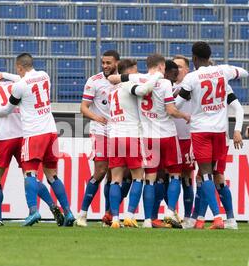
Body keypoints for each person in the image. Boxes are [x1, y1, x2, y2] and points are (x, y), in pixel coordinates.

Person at [0, 53, 75, 227]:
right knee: (52, 175)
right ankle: (68, 212)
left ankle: (33, 211)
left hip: (33, 134)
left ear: (19, 67)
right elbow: (24, 79)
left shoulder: (19, 86)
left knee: (30, 173)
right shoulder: (44, 75)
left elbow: (6, 110)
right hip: (51, 132)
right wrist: (4, 75)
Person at [109, 54, 191, 228]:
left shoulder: (138, 78)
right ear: (162, 67)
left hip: (146, 136)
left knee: (150, 178)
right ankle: (169, 212)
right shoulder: (165, 83)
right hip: (167, 134)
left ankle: (145, 219)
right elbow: (170, 109)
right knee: (175, 174)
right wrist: (184, 115)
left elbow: (113, 78)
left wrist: (124, 76)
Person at [178, 42, 248, 230]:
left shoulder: (192, 78)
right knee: (216, 176)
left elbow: (176, 104)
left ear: (193, 58)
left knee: (205, 175)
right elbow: (244, 72)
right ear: (210, 58)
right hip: (220, 132)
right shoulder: (222, 73)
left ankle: (216, 218)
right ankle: (225, 219)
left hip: (201, 131)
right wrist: (237, 129)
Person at [0, 75, 64, 227]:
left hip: (4, 137)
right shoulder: (17, 83)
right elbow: (27, 75)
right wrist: (3, 74)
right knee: (31, 177)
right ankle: (52, 206)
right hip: (24, 135)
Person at [106, 59, 163, 229]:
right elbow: (144, 89)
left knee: (115, 179)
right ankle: (129, 215)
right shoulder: (127, 84)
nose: (138, 74)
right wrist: (158, 75)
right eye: (135, 71)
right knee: (138, 176)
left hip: (114, 136)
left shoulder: (112, 90)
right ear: (128, 71)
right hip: (131, 135)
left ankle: (115, 218)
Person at [76, 50, 124, 227]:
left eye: (108, 63)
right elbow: (84, 107)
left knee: (116, 175)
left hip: (119, 130)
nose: (105, 66)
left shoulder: (124, 81)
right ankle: (82, 213)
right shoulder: (94, 81)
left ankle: (108, 215)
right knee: (101, 170)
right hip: (100, 130)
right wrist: (97, 118)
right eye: (103, 63)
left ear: (117, 63)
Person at [172, 56, 196, 229]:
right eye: (174, 66)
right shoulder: (166, 86)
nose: (177, 70)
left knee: (187, 178)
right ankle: (170, 213)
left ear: (187, 70)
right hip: (170, 138)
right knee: (167, 177)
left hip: (188, 139)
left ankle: (188, 216)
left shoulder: (193, 86)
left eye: (180, 67)